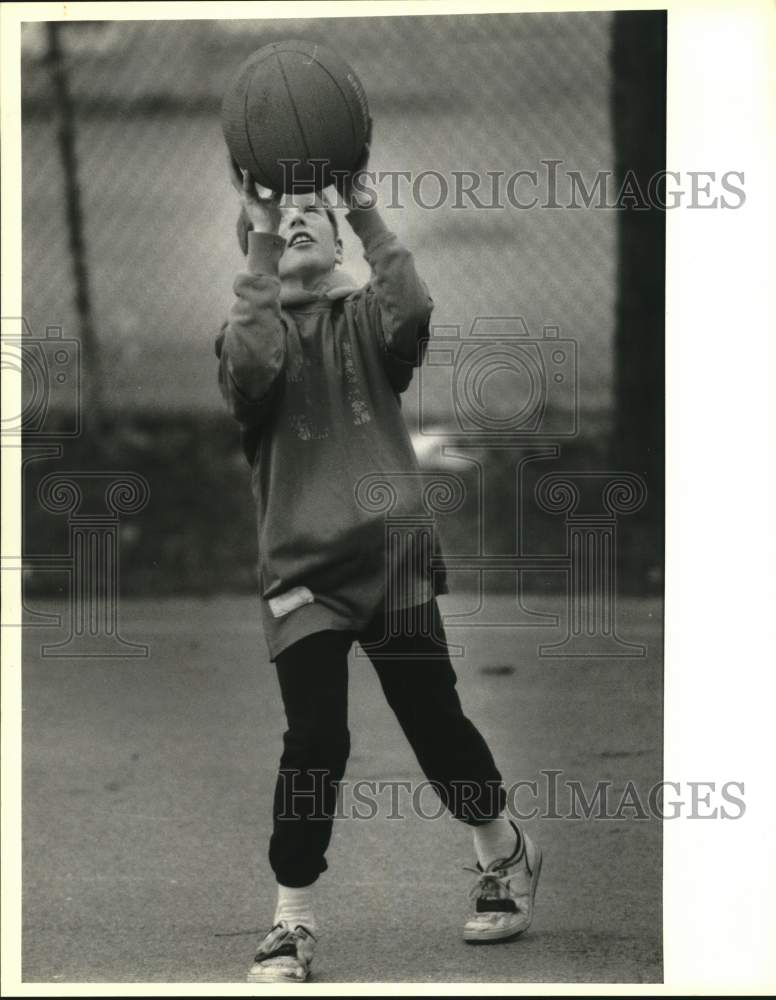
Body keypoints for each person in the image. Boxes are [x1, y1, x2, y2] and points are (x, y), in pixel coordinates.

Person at [215, 132, 542, 983]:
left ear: (338, 239)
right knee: (315, 741)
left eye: (311, 213)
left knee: (434, 724)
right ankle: (291, 921)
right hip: (304, 577)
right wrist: (259, 236)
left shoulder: (365, 320)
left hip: (391, 560)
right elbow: (249, 373)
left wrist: (362, 208)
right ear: (253, 242)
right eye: (278, 214)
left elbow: (414, 313)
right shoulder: (252, 334)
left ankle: (501, 849)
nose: (294, 221)